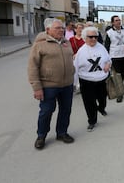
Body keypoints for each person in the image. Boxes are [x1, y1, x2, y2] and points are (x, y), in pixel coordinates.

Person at [28, 18, 75, 150]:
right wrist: (36, 87)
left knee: (66, 110)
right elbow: (32, 67)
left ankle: (62, 133)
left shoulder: (66, 42)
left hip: (67, 84)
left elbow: (71, 60)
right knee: (46, 111)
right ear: (48, 30)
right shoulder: (40, 44)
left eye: (62, 28)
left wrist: (72, 73)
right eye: (57, 28)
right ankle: (41, 136)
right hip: (49, 86)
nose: (61, 30)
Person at [74, 26, 112, 131]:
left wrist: (108, 64)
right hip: (86, 81)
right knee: (89, 102)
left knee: (102, 99)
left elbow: (109, 59)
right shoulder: (81, 51)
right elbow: (75, 68)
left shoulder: (101, 47)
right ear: (85, 38)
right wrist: (75, 83)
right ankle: (92, 120)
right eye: (91, 37)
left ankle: (101, 108)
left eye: (95, 36)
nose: (94, 39)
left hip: (101, 79)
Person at [104, 15, 124, 103]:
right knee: (117, 75)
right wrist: (107, 59)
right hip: (114, 57)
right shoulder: (109, 33)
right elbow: (107, 46)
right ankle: (120, 93)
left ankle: (120, 88)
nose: (118, 21)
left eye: (119, 20)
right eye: (116, 20)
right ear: (112, 22)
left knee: (123, 73)